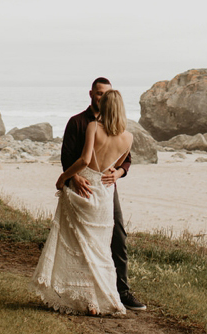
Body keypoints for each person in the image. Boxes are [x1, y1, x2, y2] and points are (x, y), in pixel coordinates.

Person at [35, 82, 134, 316]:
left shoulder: (92, 127)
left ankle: (97, 296)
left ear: (106, 104)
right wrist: (112, 170)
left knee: (78, 243)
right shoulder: (127, 136)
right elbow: (117, 161)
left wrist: (63, 178)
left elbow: (84, 160)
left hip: (89, 188)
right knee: (99, 248)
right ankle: (100, 298)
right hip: (103, 193)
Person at [57, 72, 145, 311]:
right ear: (91, 95)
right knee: (81, 239)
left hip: (107, 186)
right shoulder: (78, 122)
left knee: (117, 235)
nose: (101, 98)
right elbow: (68, 158)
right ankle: (85, 290)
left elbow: (126, 161)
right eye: (98, 93)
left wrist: (119, 173)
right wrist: (71, 178)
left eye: (106, 95)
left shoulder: (116, 129)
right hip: (82, 184)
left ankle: (122, 289)